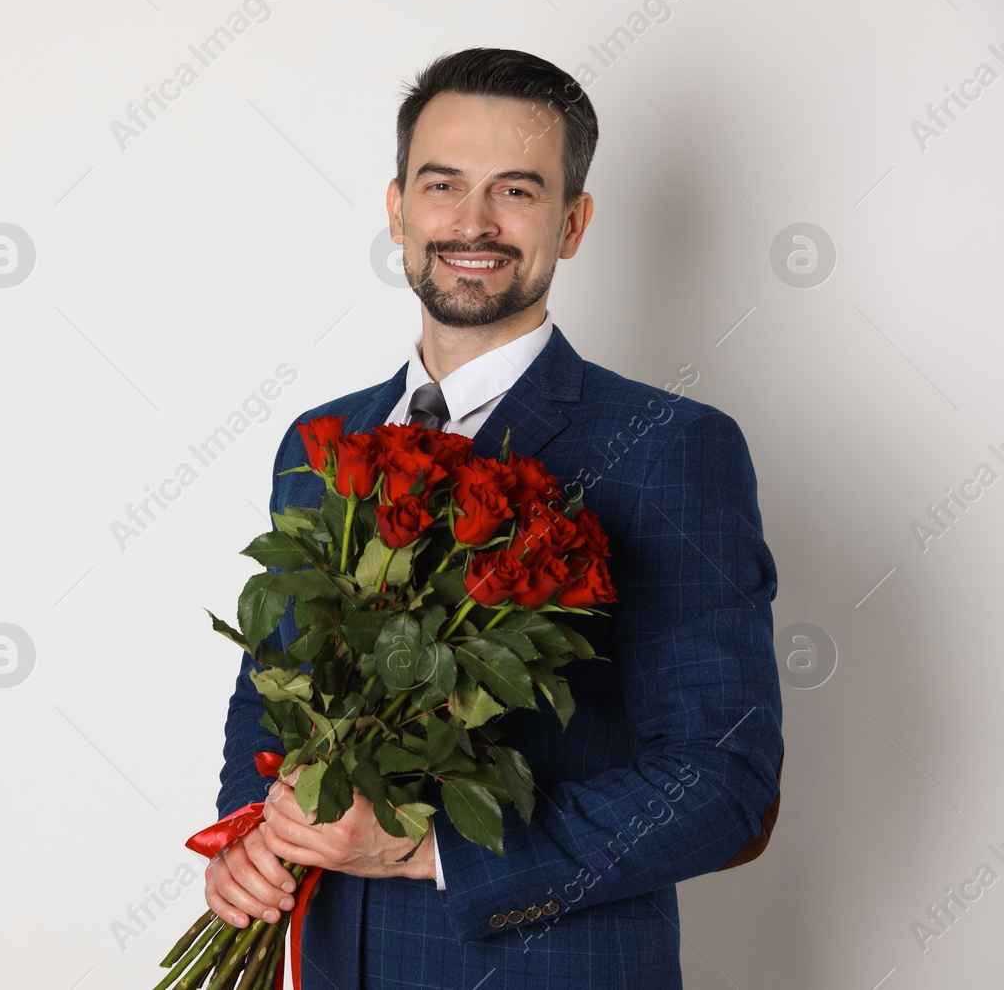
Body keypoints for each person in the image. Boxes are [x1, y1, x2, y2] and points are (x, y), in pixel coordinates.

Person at [206, 48, 784, 989]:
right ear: (397, 207)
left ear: (575, 220)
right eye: (444, 185)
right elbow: (268, 688)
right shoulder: (319, 440)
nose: (473, 223)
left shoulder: (670, 447)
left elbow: (725, 784)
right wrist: (248, 839)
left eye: (516, 190)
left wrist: (429, 846)